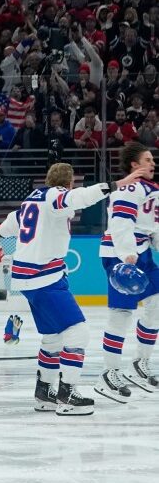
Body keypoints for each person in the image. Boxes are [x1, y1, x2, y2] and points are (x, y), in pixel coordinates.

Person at [0, 163, 146, 415]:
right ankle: (67, 395)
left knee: (54, 337)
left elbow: (4, 228)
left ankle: (44, 392)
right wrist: (117, 184)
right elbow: (81, 197)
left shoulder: (30, 201)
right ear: (68, 184)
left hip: (30, 276)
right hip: (43, 276)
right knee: (78, 333)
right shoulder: (57, 196)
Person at [95, 143, 159, 402]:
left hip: (141, 251)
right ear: (134, 164)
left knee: (156, 304)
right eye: (148, 159)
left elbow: (151, 227)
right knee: (121, 314)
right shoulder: (129, 187)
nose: (153, 163)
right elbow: (121, 222)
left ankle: (139, 363)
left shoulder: (151, 189)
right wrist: (127, 255)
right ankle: (108, 373)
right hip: (119, 254)